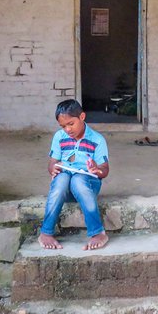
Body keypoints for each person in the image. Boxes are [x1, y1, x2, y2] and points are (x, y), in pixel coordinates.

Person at [39, 99, 110, 250]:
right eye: (63, 126)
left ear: (82, 117)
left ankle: (98, 233)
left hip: (87, 186)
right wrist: (54, 169)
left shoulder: (97, 139)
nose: (67, 130)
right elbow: (52, 163)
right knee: (61, 179)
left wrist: (97, 169)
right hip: (66, 190)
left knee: (78, 180)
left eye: (71, 124)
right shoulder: (59, 137)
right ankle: (46, 232)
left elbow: (105, 169)